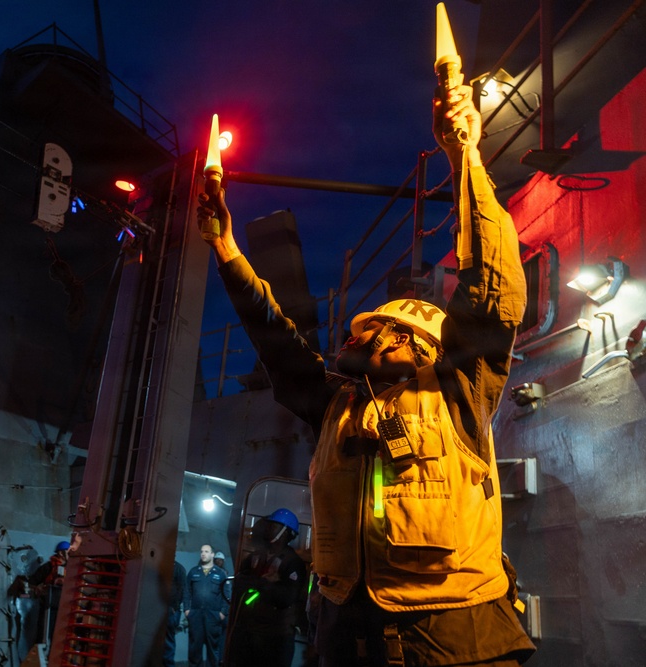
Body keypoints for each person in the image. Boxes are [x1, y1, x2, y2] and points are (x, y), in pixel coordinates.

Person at [196, 84, 536, 665]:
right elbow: (275, 338)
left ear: (431, 352)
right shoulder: (333, 404)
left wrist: (464, 156)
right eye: (367, 328)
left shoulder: (458, 392)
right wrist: (226, 249)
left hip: (454, 643)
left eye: (397, 332)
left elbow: (494, 293)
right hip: (345, 638)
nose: (372, 335)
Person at [226, 509, 307, 667]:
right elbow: (239, 581)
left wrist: (258, 584)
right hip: (249, 631)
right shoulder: (257, 556)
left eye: (274, 526)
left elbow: (287, 597)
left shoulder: (292, 562)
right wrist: (263, 583)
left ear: (285, 533)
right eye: (269, 525)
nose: (268, 529)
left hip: (276, 637)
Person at [183, 544, 229, 667]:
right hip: (196, 615)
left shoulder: (221, 574)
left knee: (213, 651)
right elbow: (187, 591)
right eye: (202, 551)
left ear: (212, 554)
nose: (203, 553)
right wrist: (187, 610)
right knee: (194, 650)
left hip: (213, 616)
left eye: (207, 551)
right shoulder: (193, 572)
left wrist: (222, 613)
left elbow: (226, 595)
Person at [31, 540, 70, 645]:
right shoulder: (48, 567)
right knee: (44, 633)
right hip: (49, 607)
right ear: (61, 553)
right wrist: (39, 590)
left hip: (66, 608)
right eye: (69, 552)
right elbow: (32, 582)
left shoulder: (72, 568)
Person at [163, 559, 187, 667]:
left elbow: (182, 590)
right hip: (162, 607)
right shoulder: (165, 565)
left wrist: (174, 607)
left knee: (168, 640)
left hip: (170, 609)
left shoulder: (179, 569)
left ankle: (168, 665)